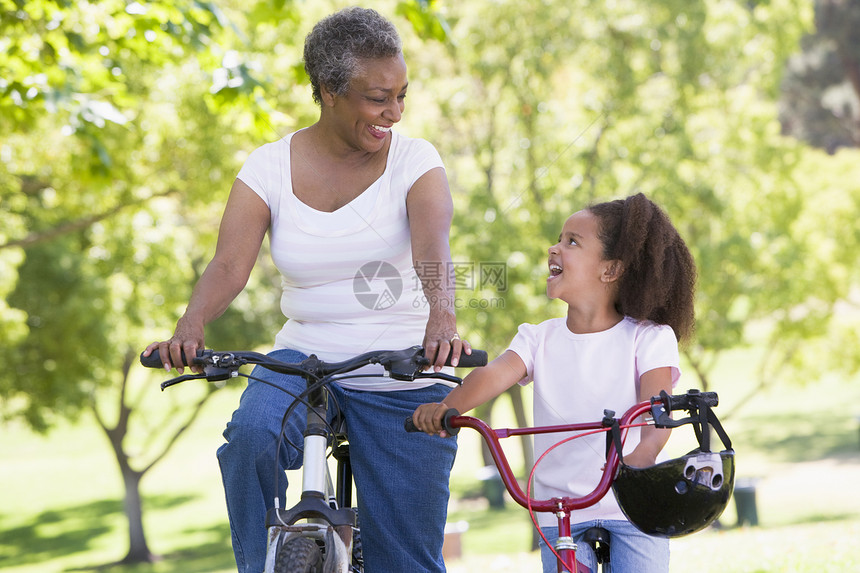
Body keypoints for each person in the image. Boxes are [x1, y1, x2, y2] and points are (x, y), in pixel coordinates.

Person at [143, 7, 471, 573]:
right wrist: (189, 329)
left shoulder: (416, 160)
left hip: (402, 364)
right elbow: (228, 264)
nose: (393, 112)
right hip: (304, 359)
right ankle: (258, 565)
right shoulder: (267, 167)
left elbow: (432, 247)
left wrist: (442, 317)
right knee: (249, 439)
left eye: (401, 96)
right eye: (377, 98)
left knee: (407, 561)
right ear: (329, 92)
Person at [411, 193, 697, 573]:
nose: (554, 248)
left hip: (630, 502)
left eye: (572, 242)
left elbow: (655, 409)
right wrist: (448, 408)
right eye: (559, 238)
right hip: (558, 507)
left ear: (610, 270)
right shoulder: (537, 339)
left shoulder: (647, 338)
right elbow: (493, 375)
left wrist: (643, 455)